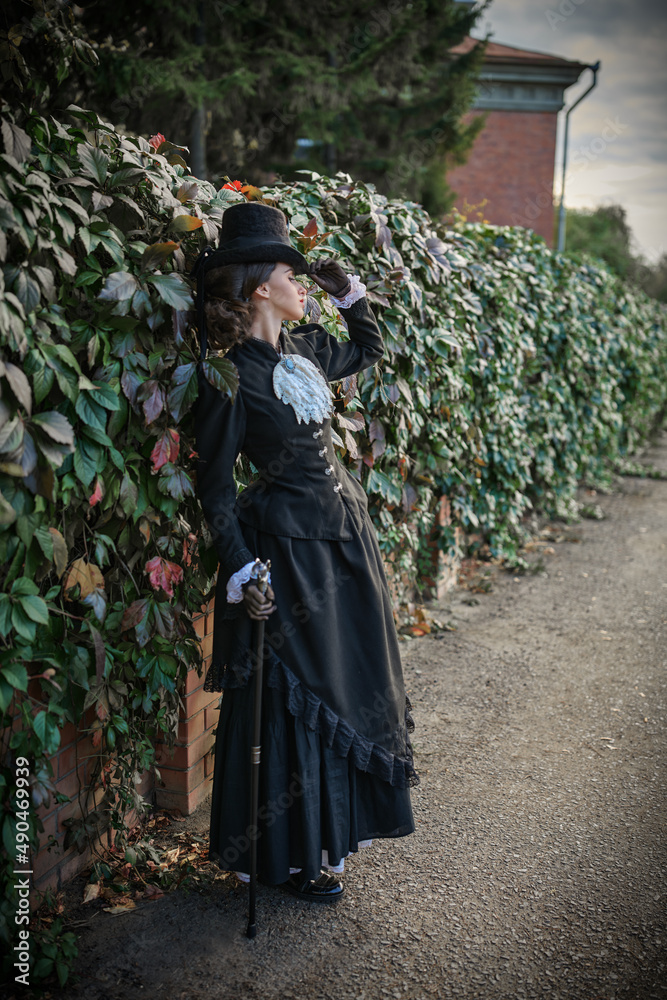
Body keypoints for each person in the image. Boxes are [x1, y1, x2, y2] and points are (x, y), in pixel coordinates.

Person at [193, 201, 418, 903]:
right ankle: (283, 857)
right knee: (296, 700)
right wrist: (240, 567)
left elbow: (370, 349)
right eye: (293, 275)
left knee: (352, 685)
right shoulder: (230, 380)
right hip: (286, 555)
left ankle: (331, 834)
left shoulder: (310, 351)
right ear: (262, 287)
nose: (302, 286)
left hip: (346, 544)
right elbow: (213, 491)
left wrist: (350, 294)